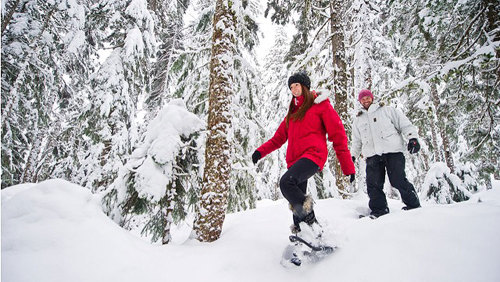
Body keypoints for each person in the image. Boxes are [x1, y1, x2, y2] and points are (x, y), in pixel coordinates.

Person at [252, 71, 355, 235]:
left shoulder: (320, 105)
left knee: (286, 183)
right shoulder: (292, 114)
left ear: (305, 86)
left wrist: (347, 166)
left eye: (296, 85)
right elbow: (278, 139)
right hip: (295, 161)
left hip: (313, 156)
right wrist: (259, 152)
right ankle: (304, 237)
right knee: (296, 199)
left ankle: (312, 222)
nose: (293, 89)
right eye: (291, 87)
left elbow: (338, 135)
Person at [351, 89, 421, 218]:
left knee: (398, 180)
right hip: (372, 155)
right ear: (360, 101)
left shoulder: (387, 111)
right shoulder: (358, 120)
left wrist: (412, 138)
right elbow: (356, 141)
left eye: (367, 97)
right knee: (373, 184)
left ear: (372, 98)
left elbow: (404, 124)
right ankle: (379, 210)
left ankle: (414, 205)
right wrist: (352, 156)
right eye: (363, 99)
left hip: (392, 151)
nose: (366, 100)